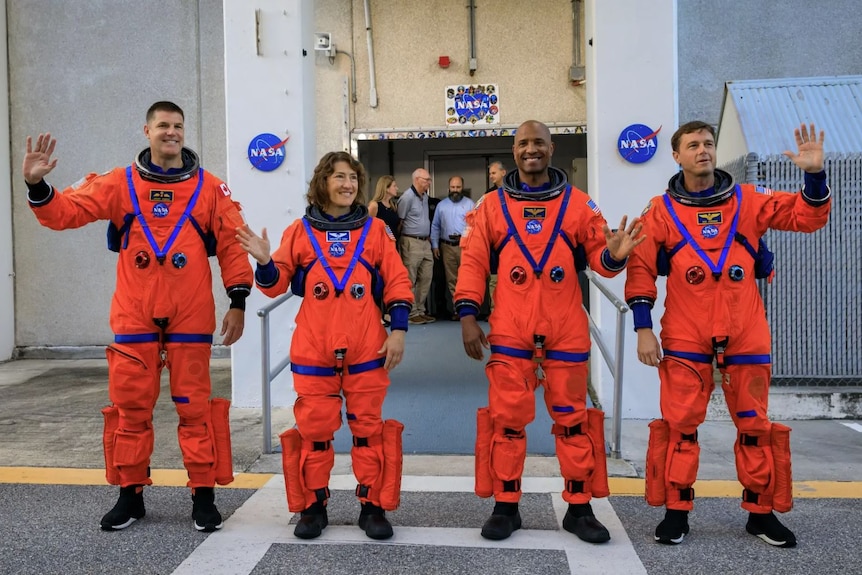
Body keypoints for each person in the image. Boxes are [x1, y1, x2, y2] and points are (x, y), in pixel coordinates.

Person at [22, 101, 253, 533]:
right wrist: (38, 186)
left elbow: (232, 245)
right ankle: (130, 497)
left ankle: (203, 496)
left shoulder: (209, 189)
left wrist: (237, 301)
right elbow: (66, 212)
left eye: (178, 126)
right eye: (163, 125)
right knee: (131, 409)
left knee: (195, 409)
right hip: (135, 316)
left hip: (190, 316)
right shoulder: (119, 183)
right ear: (145, 130)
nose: (172, 132)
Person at [625, 121, 831, 548]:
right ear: (676, 155)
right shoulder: (659, 212)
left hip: (746, 331)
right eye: (693, 145)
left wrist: (814, 175)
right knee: (681, 427)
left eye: (708, 143)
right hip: (685, 333)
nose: (703, 150)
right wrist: (643, 329)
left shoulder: (749, 201)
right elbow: (641, 269)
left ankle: (761, 513)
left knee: (754, 426)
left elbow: (807, 217)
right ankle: (676, 512)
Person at [454, 120, 644, 543]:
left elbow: (601, 258)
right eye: (523, 143)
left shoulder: (579, 205)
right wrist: (468, 316)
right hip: (511, 330)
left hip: (565, 331)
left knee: (574, 422)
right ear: (514, 151)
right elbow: (472, 263)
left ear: (551, 148)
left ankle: (579, 509)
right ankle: (506, 507)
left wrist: (614, 257)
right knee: (507, 423)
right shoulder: (489, 206)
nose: (531, 149)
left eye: (538, 142)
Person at [236, 151, 414, 541]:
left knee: (368, 431)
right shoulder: (299, 232)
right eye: (338, 176)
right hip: (315, 348)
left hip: (367, 346)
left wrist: (398, 331)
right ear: (322, 183)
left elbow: (398, 282)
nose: (347, 184)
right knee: (315, 433)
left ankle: (373, 506)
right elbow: (275, 283)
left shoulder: (375, 232)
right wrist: (265, 262)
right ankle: (313, 507)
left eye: (352, 177)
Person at [430, 176, 475, 320]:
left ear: (463, 187)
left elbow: (475, 226)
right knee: (452, 280)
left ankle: (469, 310)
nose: (455, 190)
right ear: (449, 187)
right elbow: (435, 226)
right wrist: (435, 245)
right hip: (446, 247)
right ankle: (458, 310)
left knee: (467, 278)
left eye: (458, 187)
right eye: (453, 187)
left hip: (465, 246)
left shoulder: (470, 204)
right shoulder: (441, 205)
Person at [397, 168, 436, 324]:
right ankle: (412, 313)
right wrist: (402, 243)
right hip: (410, 241)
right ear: (417, 180)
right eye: (426, 179)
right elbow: (400, 222)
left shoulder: (424, 197)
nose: (429, 182)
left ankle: (420, 309)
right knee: (410, 277)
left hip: (425, 242)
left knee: (426, 277)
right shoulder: (406, 198)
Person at [485, 161, 507, 314]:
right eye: (490, 173)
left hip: (514, 241)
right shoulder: (489, 195)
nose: (491, 176)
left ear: (503, 172)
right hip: (495, 243)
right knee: (494, 279)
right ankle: (495, 311)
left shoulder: (516, 190)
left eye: (493, 173)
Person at [368, 175, 401, 242]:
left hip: (393, 243)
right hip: (380, 243)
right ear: (386, 188)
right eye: (394, 186)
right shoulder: (375, 205)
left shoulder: (393, 206)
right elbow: (367, 227)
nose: (397, 188)